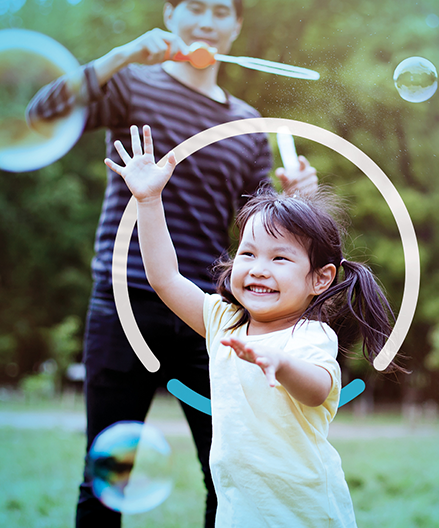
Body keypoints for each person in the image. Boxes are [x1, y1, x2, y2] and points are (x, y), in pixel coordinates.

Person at [26, 1, 317, 526]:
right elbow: (42, 113)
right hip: (123, 302)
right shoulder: (132, 85)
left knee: (227, 472)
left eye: (221, 10)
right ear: (170, 14)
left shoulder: (246, 123)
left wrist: (299, 200)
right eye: (194, 6)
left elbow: (262, 230)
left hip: (205, 314)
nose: (207, 21)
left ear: (237, 25)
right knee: (105, 477)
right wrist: (122, 55)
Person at [105, 124, 396, 527]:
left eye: (280, 259)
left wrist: (282, 363)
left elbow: (318, 389)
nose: (259, 269)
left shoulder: (310, 336)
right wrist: (150, 200)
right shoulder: (224, 321)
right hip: (240, 513)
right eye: (248, 253)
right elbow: (165, 278)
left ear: (320, 278)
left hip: (305, 516)